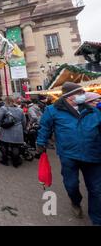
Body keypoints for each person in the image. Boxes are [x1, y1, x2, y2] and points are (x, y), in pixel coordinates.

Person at [36, 82, 101, 225]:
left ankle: (97, 220)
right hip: (69, 154)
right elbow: (45, 127)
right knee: (71, 184)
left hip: (93, 154)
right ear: (70, 97)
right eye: (80, 93)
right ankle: (75, 201)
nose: (83, 95)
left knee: (96, 189)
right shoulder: (52, 110)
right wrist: (40, 143)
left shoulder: (93, 111)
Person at [0, 96, 26, 167]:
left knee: (4, 145)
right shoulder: (20, 110)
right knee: (15, 146)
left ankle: (5, 160)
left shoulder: (3, 109)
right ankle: (15, 162)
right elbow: (24, 121)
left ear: (5, 101)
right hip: (17, 130)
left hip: (6, 130)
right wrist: (23, 129)